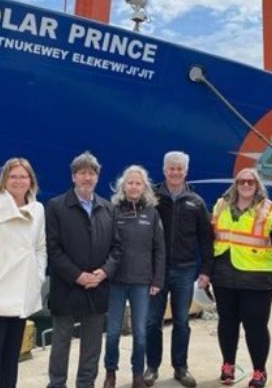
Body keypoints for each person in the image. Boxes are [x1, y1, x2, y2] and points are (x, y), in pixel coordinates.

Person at [46, 151, 122, 388]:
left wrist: (104, 272)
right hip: (67, 286)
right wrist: (77, 275)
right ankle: (57, 383)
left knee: (92, 345)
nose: (87, 178)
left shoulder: (108, 209)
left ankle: (86, 383)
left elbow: (117, 248)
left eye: (91, 173)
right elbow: (53, 248)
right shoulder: (56, 206)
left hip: (97, 286)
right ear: (73, 176)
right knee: (61, 342)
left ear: (97, 177)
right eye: (82, 173)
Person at [0, 157, 47, 388]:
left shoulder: (38, 209)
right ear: (4, 180)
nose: (18, 181)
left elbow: (40, 247)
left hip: (22, 291)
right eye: (12, 176)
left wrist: (37, 275)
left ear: (30, 181)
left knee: (11, 359)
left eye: (23, 176)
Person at [211, 168, 272, 388]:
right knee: (227, 324)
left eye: (250, 182)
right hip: (224, 276)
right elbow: (211, 237)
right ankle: (228, 365)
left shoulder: (271, 209)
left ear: (257, 185)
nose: (245, 185)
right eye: (241, 181)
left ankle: (259, 371)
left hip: (257, 279)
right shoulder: (220, 205)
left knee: (256, 327)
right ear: (235, 184)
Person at [144, 151, 213, 388]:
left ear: (186, 171)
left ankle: (180, 367)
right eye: (171, 168)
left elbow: (206, 239)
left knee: (182, 322)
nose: (175, 172)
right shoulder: (150, 197)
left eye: (179, 168)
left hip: (185, 270)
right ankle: (151, 367)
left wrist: (206, 270)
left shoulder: (196, 202)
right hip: (156, 271)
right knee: (153, 321)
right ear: (164, 170)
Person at [103, 165, 165, 388]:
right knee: (112, 333)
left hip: (142, 282)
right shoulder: (112, 210)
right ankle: (110, 373)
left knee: (140, 333)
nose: (134, 186)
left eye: (138, 183)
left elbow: (159, 248)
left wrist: (157, 280)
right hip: (116, 281)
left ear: (144, 187)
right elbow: (105, 245)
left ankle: (138, 374)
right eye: (130, 182)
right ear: (123, 186)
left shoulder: (152, 212)